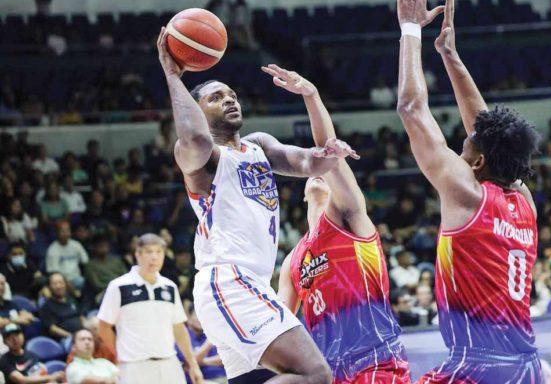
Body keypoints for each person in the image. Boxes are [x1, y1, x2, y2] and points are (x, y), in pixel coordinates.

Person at [156, 25, 356, 383]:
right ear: (197, 110)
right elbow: (196, 136)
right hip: (229, 281)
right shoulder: (201, 158)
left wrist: (310, 95)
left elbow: (314, 162)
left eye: (232, 94)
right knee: (314, 374)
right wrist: (173, 76)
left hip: (252, 284)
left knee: (259, 379)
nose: (230, 100)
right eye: (216, 98)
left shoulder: (258, 145)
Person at [391, 0, 542, 382]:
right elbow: (489, 129)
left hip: (478, 365)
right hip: (527, 364)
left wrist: (409, 30)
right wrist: (451, 58)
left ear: (476, 163)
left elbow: (411, 108)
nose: (461, 144)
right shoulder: (522, 200)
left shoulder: (467, 194)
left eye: (464, 147)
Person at [266, 66, 410, 383]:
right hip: (329, 372)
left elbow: (327, 150)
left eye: (329, 175)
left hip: (376, 363)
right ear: (303, 195)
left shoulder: (350, 218)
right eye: (313, 174)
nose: (320, 175)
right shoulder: (292, 259)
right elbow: (278, 325)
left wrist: (311, 95)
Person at [97, 234, 202, 384]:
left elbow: (179, 329)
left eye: (159, 252)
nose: (154, 257)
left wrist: (193, 364)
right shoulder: (118, 286)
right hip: (134, 367)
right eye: (148, 251)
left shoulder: (170, 287)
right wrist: (119, 354)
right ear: (137, 254)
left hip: (169, 364)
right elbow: (104, 327)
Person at [0, 323, 65, 383]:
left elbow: (42, 375)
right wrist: (51, 377)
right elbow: (22, 380)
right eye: (9, 337)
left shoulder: (32, 355)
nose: (14, 339)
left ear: (23, 336)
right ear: (5, 342)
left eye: (17, 334)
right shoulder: (4, 360)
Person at [39, 272, 84, 340]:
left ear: (65, 284)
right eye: (55, 284)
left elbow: (80, 316)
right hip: (65, 339)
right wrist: (72, 337)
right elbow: (53, 330)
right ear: (49, 286)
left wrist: (86, 330)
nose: (58, 286)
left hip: (81, 335)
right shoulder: (47, 307)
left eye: (61, 282)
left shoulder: (71, 300)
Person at [45, 222, 88, 291]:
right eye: (63, 231)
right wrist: (66, 284)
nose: (66, 234)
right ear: (57, 233)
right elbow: (54, 272)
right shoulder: (52, 249)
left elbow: (85, 261)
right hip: (61, 282)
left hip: (77, 279)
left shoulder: (76, 245)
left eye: (67, 231)